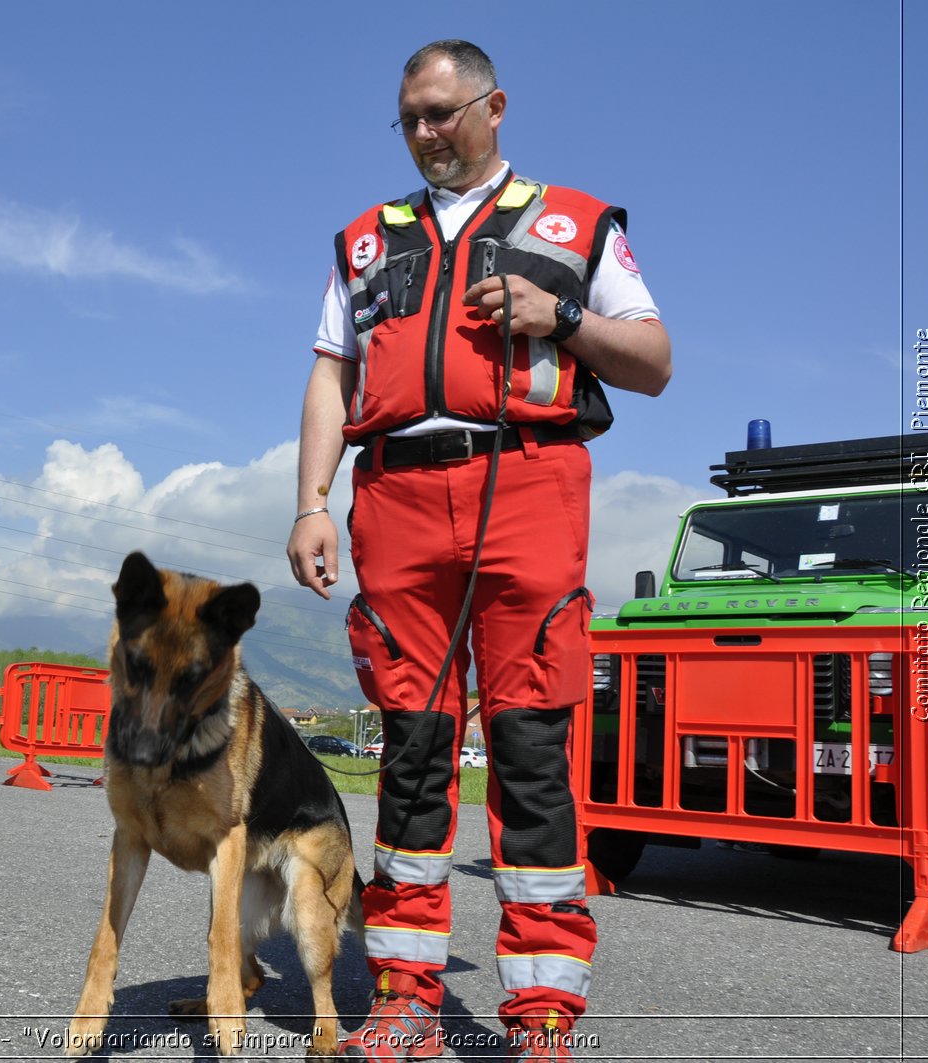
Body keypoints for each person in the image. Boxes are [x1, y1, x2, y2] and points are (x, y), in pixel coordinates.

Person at [285, 40, 671, 1062]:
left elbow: (655, 362)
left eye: (442, 113)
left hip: (529, 485)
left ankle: (543, 1008)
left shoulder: (575, 223)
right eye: (409, 117)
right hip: (397, 498)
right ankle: (403, 992)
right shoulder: (364, 241)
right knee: (411, 751)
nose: (424, 134)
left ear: (495, 106)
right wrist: (309, 503)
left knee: (530, 750)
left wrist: (564, 315)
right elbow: (331, 374)